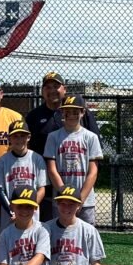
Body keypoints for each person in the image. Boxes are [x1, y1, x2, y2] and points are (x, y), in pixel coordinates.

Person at [26, 72, 100, 221]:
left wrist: (81, 196)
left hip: (80, 187)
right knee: (51, 228)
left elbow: (94, 160)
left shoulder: (84, 117)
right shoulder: (34, 116)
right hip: (47, 187)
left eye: (56, 86)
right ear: (42, 91)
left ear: (64, 89)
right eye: (48, 87)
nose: (52, 90)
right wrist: (62, 193)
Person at [43, 94, 103, 225]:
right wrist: (65, 197)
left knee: (86, 234)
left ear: (83, 112)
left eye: (75, 112)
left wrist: (80, 200)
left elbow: (93, 172)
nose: (71, 115)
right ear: (62, 112)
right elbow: (52, 169)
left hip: (85, 202)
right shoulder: (53, 137)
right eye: (67, 111)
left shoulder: (91, 137)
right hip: (61, 200)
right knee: (60, 233)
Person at [0, 119, 47, 234]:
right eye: (15, 136)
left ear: (29, 137)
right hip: (10, 216)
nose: (19, 139)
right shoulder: (1, 162)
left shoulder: (37, 159)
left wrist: (29, 208)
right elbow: (0, 191)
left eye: (22, 136)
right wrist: (13, 212)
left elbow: (41, 189)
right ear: (9, 138)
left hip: (31, 215)